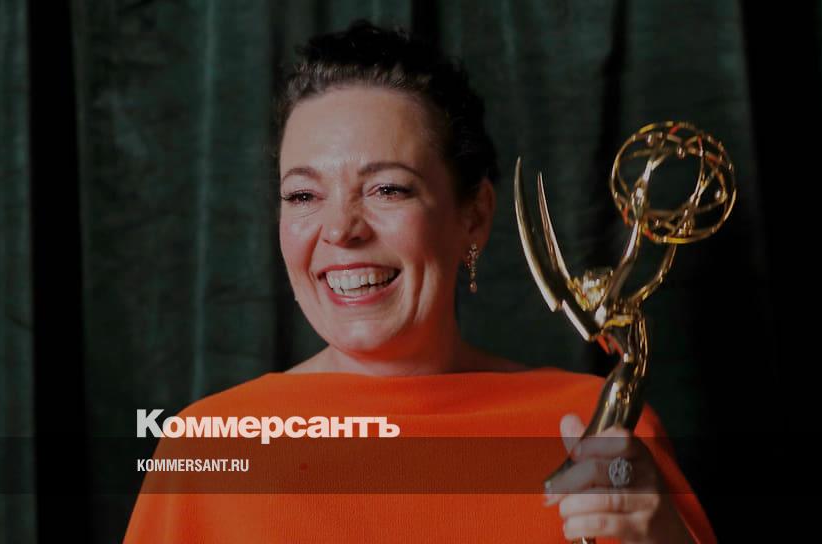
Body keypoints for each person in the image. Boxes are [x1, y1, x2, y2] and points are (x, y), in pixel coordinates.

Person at [124, 20, 716, 544]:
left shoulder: (602, 430)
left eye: (388, 189)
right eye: (303, 195)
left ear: (474, 216)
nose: (341, 230)